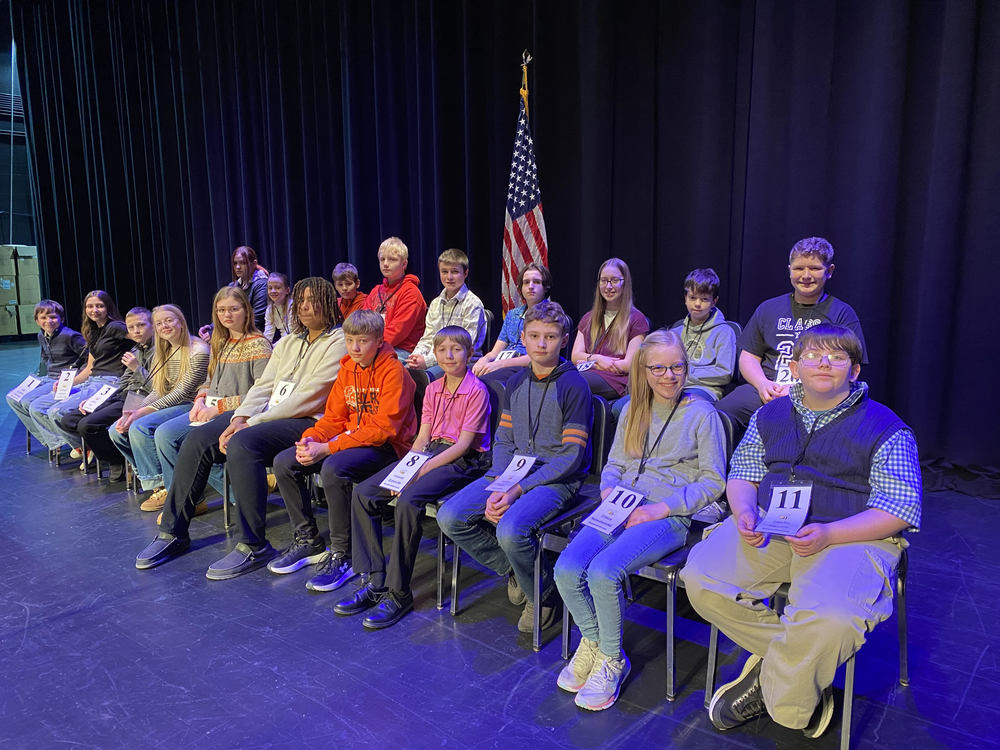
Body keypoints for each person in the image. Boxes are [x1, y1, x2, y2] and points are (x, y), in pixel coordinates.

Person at [680, 324, 921, 740]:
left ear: (855, 370)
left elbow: (899, 509)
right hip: (775, 527)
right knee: (701, 579)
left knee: (831, 619)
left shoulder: (886, 427)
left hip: (853, 535)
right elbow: (743, 473)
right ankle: (795, 668)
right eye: (813, 355)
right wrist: (743, 512)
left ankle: (783, 702)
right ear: (794, 366)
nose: (824, 363)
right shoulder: (769, 414)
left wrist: (829, 535)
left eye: (837, 357)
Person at [553, 329, 726, 710]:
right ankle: (594, 643)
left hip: (668, 512)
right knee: (566, 568)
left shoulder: (702, 414)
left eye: (677, 366)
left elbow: (714, 482)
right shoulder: (632, 408)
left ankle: (612, 659)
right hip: (620, 503)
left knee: (603, 572)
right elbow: (614, 463)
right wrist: (607, 492)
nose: (669, 375)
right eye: (659, 368)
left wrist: (660, 508)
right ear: (644, 371)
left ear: (686, 366)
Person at [135, 277, 346, 571]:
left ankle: (252, 544)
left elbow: (310, 396)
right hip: (267, 415)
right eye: (301, 301)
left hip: (309, 421)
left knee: (243, 443)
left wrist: (252, 422)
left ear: (329, 304)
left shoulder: (340, 341)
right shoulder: (288, 342)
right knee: (197, 439)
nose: (305, 307)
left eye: (314, 300)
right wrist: (239, 417)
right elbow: (263, 385)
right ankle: (173, 532)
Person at [437, 300, 593, 633]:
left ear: (563, 339)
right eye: (534, 336)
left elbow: (570, 457)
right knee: (450, 516)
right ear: (523, 336)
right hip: (514, 473)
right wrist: (500, 482)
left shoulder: (573, 385)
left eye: (549, 337)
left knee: (510, 529)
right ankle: (519, 570)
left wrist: (516, 489)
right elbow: (505, 441)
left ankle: (543, 594)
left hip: (557, 478)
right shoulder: (517, 382)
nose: (541, 344)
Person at [338, 325, 492, 629]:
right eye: (442, 350)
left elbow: (462, 446)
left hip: (463, 460)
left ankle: (399, 592)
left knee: (409, 500)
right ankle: (376, 580)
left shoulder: (476, 390)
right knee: (366, 492)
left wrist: (417, 474)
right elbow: (422, 438)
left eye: (456, 349)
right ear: (434, 353)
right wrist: (406, 469)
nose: (448, 356)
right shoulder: (433, 388)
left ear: (469, 353)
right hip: (430, 451)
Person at [265, 309, 418, 591]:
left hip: (388, 449)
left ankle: (343, 554)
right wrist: (311, 440)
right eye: (349, 341)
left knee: (334, 468)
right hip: (351, 441)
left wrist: (328, 448)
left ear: (379, 340)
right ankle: (308, 540)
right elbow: (333, 418)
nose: (355, 348)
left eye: (362, 341)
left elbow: (385, 429)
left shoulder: (394, 372)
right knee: (285, 462)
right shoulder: (347, 369)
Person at [717, 237, 867, 429]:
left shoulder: (842, 314)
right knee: (718, 413)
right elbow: (749, 356)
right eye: (798, 268)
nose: (806, 275)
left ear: (829, 271)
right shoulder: (768, 308)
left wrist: (801, 389)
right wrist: (762, 384)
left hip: (818, 394)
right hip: (768, 389)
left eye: (814, 268)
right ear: (789, 271)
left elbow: (850, 368)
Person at [151, 286, 272, 513]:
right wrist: (200, 399)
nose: (227, 315)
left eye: (233, 309)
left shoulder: (258, 343)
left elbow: (263, 392)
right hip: (210, 408)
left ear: (246, 310)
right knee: (164, 434)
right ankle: (190, 499)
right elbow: (210, 379)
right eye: (221, 310)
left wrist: (218, 409)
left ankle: (234, 495)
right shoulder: (221, 342)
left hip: (238, 413)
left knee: (184, 441)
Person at [109, 304, 209, 507]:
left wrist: (141, 413)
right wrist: (134, 412)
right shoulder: (163, 351)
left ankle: (165, 487)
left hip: (191, 404)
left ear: (181, 322)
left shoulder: (198, 350)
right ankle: (155, 481)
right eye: (159, 323)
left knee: (140, 426)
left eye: (169, 320)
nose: (164, 326)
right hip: (171, 403)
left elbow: (181, 394)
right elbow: (158, 389)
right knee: (116, 431)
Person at [29, 290, 132, 459]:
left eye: (100, 306)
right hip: (92, 381)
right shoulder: (93, 331)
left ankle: (89, 449)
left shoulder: (115, 326)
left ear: (108, 307)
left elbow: (142, 338)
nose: (95, 310)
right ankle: (82, 447)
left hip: (110, 382)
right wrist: (69, 384)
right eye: (90, 306)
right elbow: (90, 367)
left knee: (56, 411)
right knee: (38, 406)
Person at [57, 307, 154, 481]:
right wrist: (97, 400)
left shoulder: (157, 351)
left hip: (142, 399)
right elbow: (124, 382)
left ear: (152, 326)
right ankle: (112, 454)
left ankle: (115, 460)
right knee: (69, 419)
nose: (136, 331)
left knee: (87, 425)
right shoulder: (135, 351)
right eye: (131, 328)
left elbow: (156, 385)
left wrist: (136, 368)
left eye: (141, 325)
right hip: (121, 395)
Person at [6, 299, 87, 447]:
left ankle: (60, 441)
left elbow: (89, 358)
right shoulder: (41, 335)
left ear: (61, 318)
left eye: (53, 317)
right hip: (48, 377)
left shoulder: (70, 336)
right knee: (13, 398)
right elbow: (45, 357)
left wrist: (76, 377)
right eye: (43, 317)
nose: (48, 321)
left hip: (63, 380)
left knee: (28, 402)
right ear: (37, 320)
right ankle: (49, 438)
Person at [570, 258, 649, 400]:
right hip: (589, 373)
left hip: (617, 380)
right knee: (559, 377)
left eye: (614, 280)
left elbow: (629, 364)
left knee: (573, 382)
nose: (608, 286)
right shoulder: (588, 318)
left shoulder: (637, 319)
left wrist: (590, 363)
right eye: (604, 280)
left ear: (625, 283)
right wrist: (598, 360)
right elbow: (575, 356)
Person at [405, 248, 487, 379]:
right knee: (404, 372)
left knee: (425, 377)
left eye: (454, 272)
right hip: (436, 359)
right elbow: (428, 337)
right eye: (444, 272)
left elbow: (463, 346)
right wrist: (415, 357)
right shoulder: (436, 303)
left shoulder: (473, 304)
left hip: (461, 362)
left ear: (465, 273)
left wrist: (427, 362)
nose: (449, 277)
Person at [472, 261, 552, 386]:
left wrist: (499, 364)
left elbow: (538, 357)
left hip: (528, 366)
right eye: (526, 282)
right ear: (520, 288)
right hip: (503, 361)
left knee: (484, 383)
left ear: (545, 287)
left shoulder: (551, 315)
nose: (530, 286)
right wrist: (485, 360)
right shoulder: (512, 314)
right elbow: (495, 352)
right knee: (467, 377)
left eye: (536, 282)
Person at [669, 268, 737, 401]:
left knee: (680, 405)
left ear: (714, 302)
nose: (697, 304)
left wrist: (686, 375)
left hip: (705, 389)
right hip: (672, 386)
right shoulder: (676, 332)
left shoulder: (724, 332)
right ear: (685, 298)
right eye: (692, 298)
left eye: (704, 299)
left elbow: (724, 373)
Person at [361, 237, 427, 358]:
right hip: (373, 345)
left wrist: (368, 346)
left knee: (371, 362)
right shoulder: (376, 290)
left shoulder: (411, 293)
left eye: (392, 259)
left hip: (402, 350)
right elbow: (362, 322)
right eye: (382, 259)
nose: (386, 264)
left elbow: (397, 332)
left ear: (404, 264)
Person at [199, 245, 269, 339]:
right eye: (235, 263)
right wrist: (211, 327)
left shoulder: (262, 284)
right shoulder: (233, 285)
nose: (238, 267)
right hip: (235, 332)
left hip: (254, 334)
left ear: (254, 263)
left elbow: (257, 318)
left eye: (243, 263)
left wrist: (218, 333)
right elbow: (224, 311)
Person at [263, 272, 292, 343]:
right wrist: (265, 347)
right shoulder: (270, 309)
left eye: (277, 288)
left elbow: (291, 333)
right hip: (283, 342)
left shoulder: (292, 306)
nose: (273, 291)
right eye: (270, 288)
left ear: (287, 290)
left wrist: (275, 347)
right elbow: (268, 334)